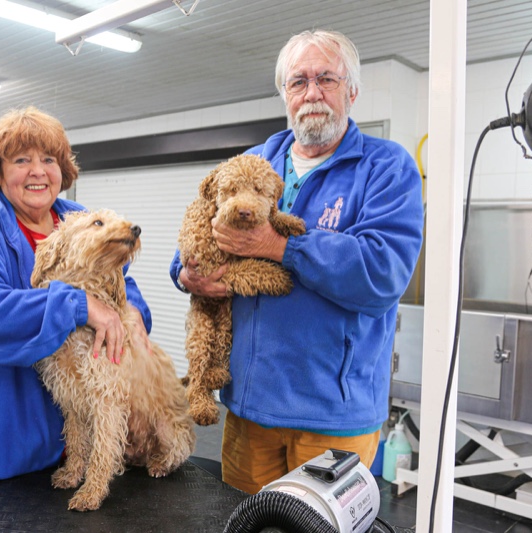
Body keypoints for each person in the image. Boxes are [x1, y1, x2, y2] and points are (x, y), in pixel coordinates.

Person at [170, 29, 424, 494]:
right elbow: (196, 235)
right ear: (284, 94)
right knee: (242, 522)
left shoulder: (386, 167)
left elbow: (381, 273)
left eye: (326, 79)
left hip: (332, 416)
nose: (312, 93)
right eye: (298, 81)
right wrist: (185, 274)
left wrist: (279, 247)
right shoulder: (253, 160)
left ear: (352, 90)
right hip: (250, 409)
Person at [0, 106, 152, 491]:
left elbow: (121, 281)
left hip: (74, 444)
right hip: (0, 448)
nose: (38, 171)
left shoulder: (78, 219)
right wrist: (79, 305)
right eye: (22, 160)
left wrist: (131, 314)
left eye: (48, 159)